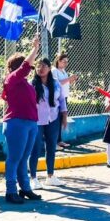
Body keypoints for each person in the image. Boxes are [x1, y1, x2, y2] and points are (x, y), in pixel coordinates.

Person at [2, 37, 42, 204]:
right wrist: (35, 48)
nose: (30, 70)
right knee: (14, 158)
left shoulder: (25, 83)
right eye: (28, 67)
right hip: (17, 123)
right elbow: (25, 67)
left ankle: (25, 188)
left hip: (30, 123)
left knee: (23, 158)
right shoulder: (11, 79)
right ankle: (10, 191)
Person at [29, 58, 68, 188]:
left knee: (51, 148)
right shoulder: (31, 84)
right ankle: (33, 178)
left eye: (44, 66)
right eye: (38, 66)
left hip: (53, 119)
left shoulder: (56, 84)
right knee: (35, 148)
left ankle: (50, 176)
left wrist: (64, 116)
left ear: (49, 68)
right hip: (36, 120)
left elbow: (61, 100)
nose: (41, 68)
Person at [52, 53, 77, 150]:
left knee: (61, 119)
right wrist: (69, 79)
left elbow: (65, 83)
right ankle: (54, 142)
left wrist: (71, 80)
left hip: (64, 97)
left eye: (67, 62)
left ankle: (59, 140)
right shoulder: (54, 71)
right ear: (58, 61)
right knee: (57, 120)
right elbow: (57, 83)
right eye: (64, 62)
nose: (66, 63)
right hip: (58, 98)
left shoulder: (63, 71)